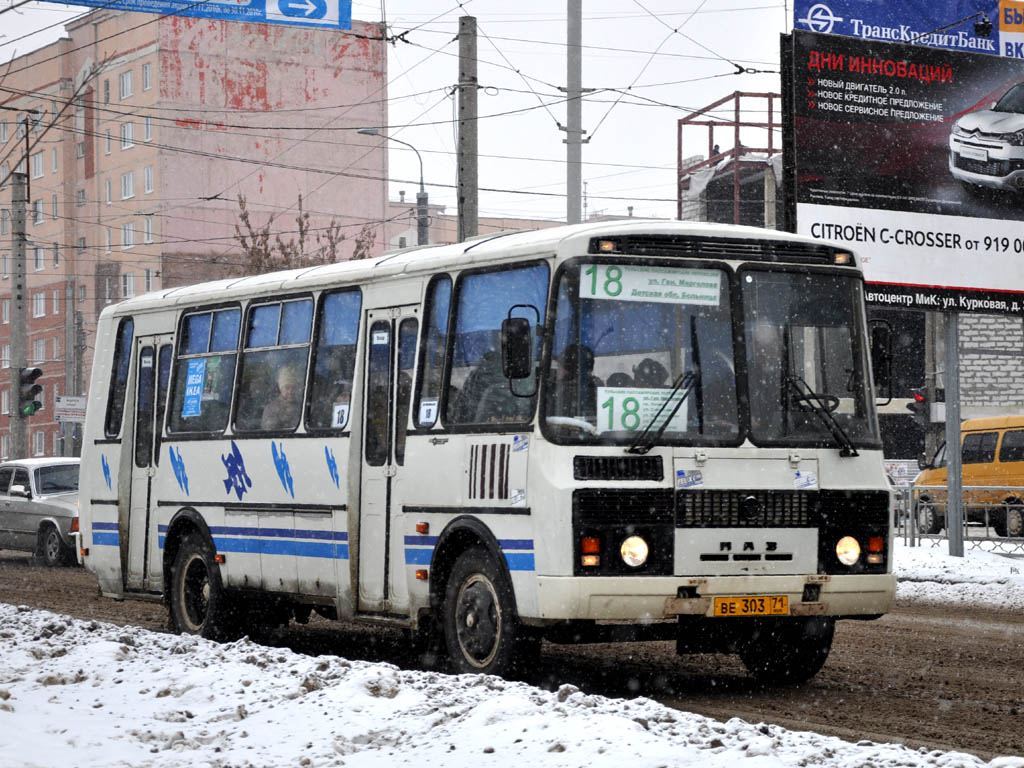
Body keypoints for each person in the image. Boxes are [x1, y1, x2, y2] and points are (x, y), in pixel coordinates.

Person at [261, 364, 303, 431]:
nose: (290, 391)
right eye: (287, 388)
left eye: (293, 387)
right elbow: (268, 431)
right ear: (281, 388)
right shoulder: (271, 408)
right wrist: (282, 419)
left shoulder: (302, 406)